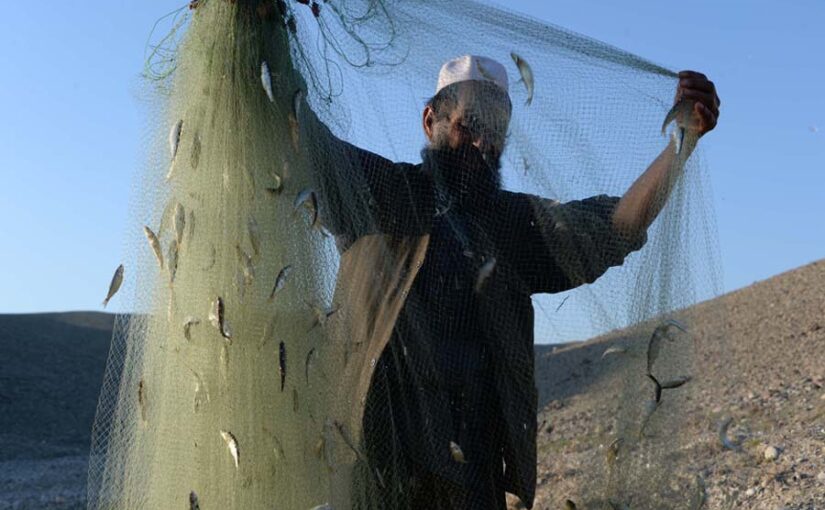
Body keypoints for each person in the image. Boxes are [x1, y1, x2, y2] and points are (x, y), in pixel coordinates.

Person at [300, 55, 720, 509]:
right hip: (368, 468)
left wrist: (682, 142)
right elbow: (295, 130)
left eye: (497, 131)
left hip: (472, 477)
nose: (483, 143)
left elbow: (616, 226)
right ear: (430, 120)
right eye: (470, 124)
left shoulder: (514, 226)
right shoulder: (377, 193)